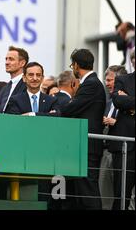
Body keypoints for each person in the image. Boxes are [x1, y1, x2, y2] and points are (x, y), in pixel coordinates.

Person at [55, 49, 106, 209]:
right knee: (82, 192)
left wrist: (64, 105)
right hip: (83, 145)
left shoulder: (91, 84)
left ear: (76, 65)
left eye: (72, 65)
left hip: (88, 145)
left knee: (88, 191)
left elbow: (70, 109)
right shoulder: (91, 83)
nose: (73, 69)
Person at [109, 49, 135, 210]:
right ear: (133, 61)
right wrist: (124, 100)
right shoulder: (122, 80)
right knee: (121, 195)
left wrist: (130, 102)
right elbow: (118, 101)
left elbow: (125, 101)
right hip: (126, 147)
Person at [100, 65, 127, 210]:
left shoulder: (129, 101)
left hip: (124, 152)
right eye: (106, 80)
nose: (107, 83)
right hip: (106, 152)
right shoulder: (108, 103)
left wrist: (116, 122)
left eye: (110, 80)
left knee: (122, 192)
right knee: (104, 192)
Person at [0, 46, 29, 113]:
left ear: (22, 63)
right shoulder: (4, 89)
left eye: (11, 59)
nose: (7, 62)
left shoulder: (27, 85)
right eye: (6, 59)